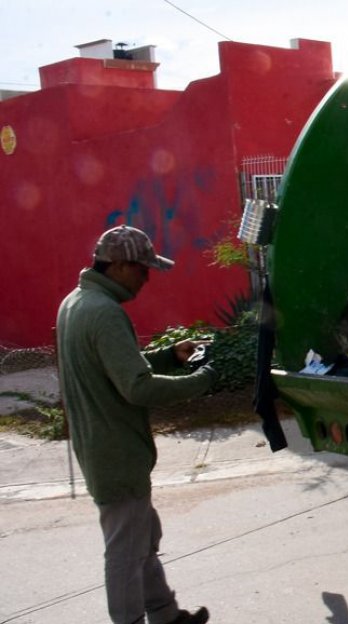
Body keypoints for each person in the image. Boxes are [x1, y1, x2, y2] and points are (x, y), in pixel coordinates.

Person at [56, 225, 217, 624]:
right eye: (143, 269)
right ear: (121, 266)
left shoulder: (76, 303)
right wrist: (200, 381)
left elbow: (114, 364)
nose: (147, 278)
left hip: (100, 446)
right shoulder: (106, 313)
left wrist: (167, 356)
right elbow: (136, 387)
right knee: (126, 553)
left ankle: (165, 615)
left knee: (142, 541)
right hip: (116, 452)